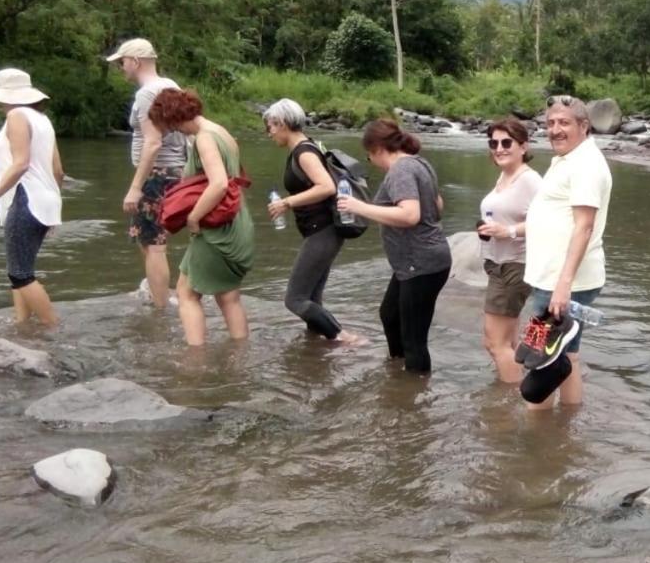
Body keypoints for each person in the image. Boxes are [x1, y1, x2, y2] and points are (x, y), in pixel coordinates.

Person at [337, 118, 450, 373]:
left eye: (369, 156)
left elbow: (410, 215)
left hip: (420, 263)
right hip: (420, 262)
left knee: (414, 340)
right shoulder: (420, 163)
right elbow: (438, 206)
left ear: (376, 149)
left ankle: (414, 399)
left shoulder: (400, 169)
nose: (372, 162)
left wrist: (360, 207)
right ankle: (397, 373)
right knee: (390, 314)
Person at [520, 95, 612, 408]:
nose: (555, 130)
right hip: (553, 279)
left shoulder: (586, 165)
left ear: (584, 126)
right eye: (550, 123)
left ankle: (537, 435)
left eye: (564, 123)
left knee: (543, 360)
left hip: (562, 283)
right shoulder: (570, 157)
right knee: (564, 353)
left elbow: (584, 226)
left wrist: (563, 285)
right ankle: (566, 430)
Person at [147, 89, 254, 346]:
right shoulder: (222, 133)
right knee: (228, 296)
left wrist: (193, 218)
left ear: (174, 116)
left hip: (218, 229)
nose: (172, 130)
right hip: (238, 223)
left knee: (186, 293)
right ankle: (240, 353)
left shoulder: (204, 139)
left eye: (169, 124)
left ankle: (195, 360)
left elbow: (218, 184)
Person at [0, 68, 64, 326]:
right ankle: (22, 325)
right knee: (21, 271)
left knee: (19, 273)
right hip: (43, 200)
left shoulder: (17, 116)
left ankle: (53, 330)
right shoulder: (42, 119)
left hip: (25, 198)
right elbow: (58, 171)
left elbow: (20, 164)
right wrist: (52, 209)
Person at [264, 98, 358, 343]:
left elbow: (326, 187)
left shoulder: (304, 152)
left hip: (324, 231)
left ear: (282, 123)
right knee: (312, 297)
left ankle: (345, 339)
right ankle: (315, 349)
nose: (269, 132)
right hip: (322, 231)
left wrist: (286, 203)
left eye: (271, 126)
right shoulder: (304, 148)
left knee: (294, 299)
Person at [106, 38, 187, 310]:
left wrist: (135, 187)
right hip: (175, 171)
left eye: (122, 62)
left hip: (157, 173)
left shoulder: (146, 94)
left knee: (153, 244)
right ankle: (159, 295)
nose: (121, 68)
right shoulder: (171, 85)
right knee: (150, 239)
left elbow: (152, 142)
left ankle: (161, 306)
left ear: (135, 61)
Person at [477, 118, 543, 383]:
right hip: (498, 262)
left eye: (507, 143)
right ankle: (518, 388)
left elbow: (549, 221)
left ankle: (509, 403)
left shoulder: (531, 180)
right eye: (494, 143)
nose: (499, 148)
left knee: (494, 343)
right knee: (508, 342)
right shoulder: (506, 173)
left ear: (523, 147)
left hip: (515, 264)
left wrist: (509, 231)